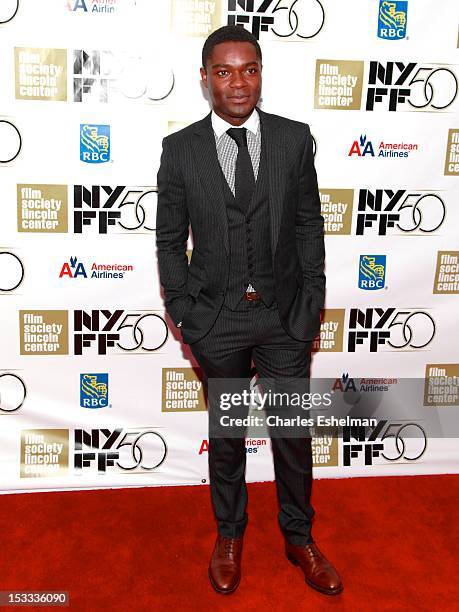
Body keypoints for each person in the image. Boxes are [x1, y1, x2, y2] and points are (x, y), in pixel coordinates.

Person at [156, 25, 342, 596]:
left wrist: (311, 300)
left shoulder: (293, 139)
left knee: (291, 432)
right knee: (229, 435)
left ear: (261, 73)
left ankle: (298, 536)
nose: (238, 82)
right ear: (206, 78)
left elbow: (310, 224)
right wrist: (185, 311)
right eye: (225, 71)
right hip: (219, 322)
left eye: (249, 69)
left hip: (285, 319)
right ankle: (230, 535)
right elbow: (168, 240)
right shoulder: (181, 148)